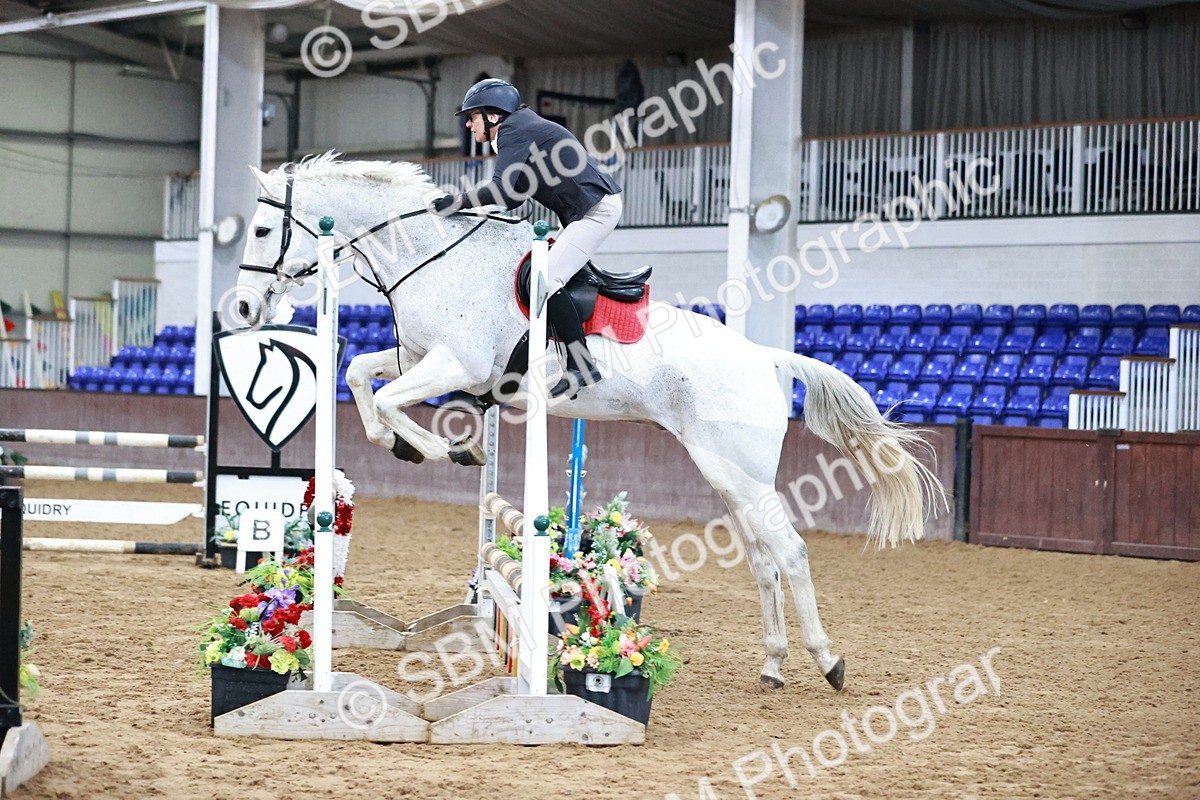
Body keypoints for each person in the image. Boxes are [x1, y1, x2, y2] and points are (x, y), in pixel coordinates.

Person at [430, 78, 622, 399]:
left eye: (472, 116)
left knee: (544, 280)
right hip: (589, 209)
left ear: (493, 116)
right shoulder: (520, 127)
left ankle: (582, 364)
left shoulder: (512, 130)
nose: (467, 123)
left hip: (596, 210)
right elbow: (513, 197)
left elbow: (503, 190)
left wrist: (455, 202)